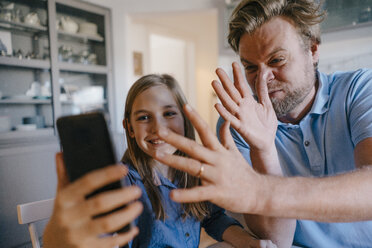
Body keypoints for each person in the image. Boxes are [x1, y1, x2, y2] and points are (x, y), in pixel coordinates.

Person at [152, 0, 372, 247]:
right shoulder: (238, 122)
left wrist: (262, 191)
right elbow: (276, 240)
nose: (263, 79)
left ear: (312, 50)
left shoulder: (360, 89)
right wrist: (263, 148)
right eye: (251, 67)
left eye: (277, 60)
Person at [121, 73, 275, 247]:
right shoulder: (123, 182)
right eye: (144, 117)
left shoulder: (196, 171)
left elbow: (213, 218)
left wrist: (248, 242)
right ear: (129, 127)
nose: (158, 129)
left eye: (169, 113)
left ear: (185, 120)